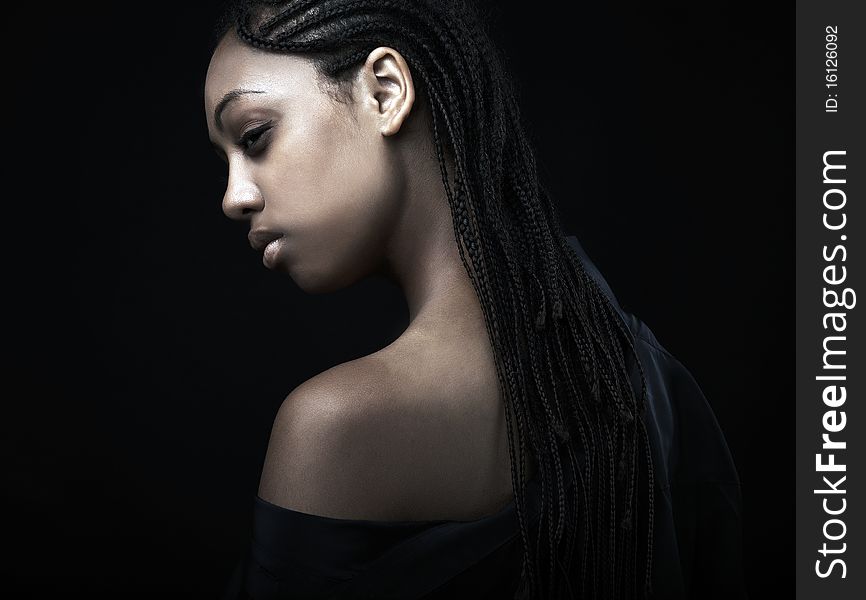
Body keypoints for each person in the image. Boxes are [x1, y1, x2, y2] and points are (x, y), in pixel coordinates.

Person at [204, 1, 747, 598]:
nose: (234, 196)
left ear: (384, 92)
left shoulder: (333, 428)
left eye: (254, 136)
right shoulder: (645, 379)